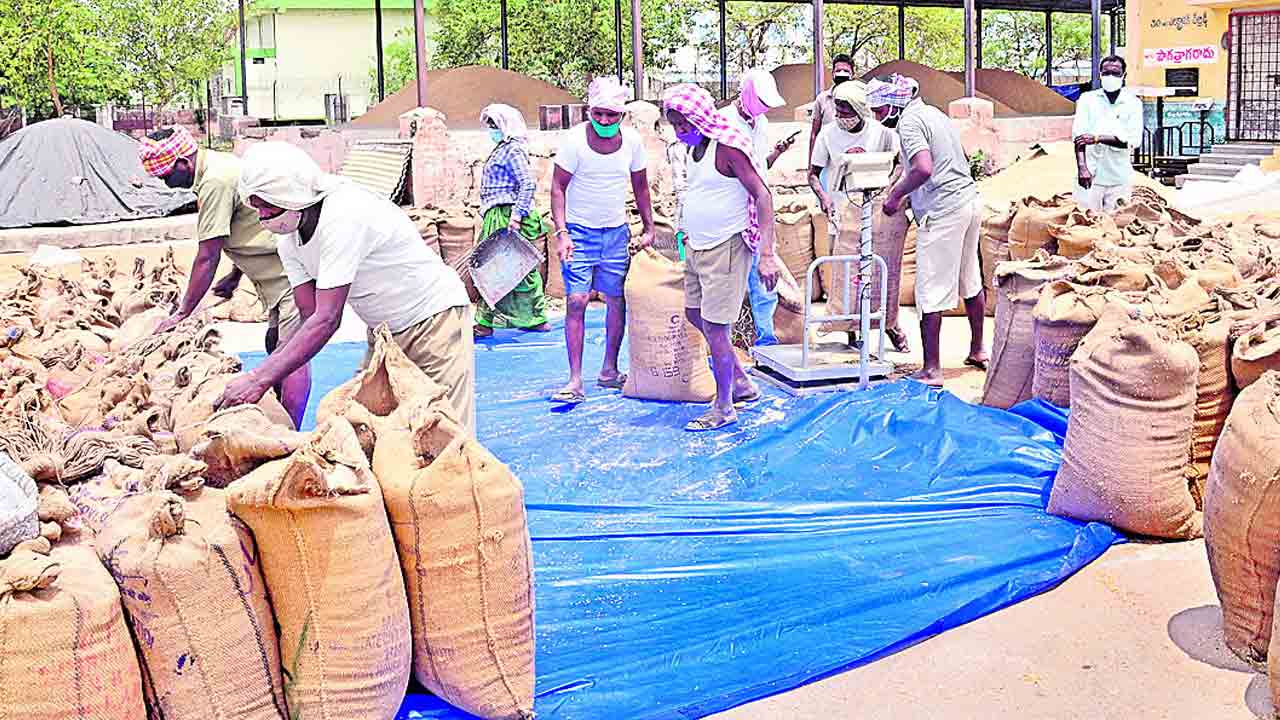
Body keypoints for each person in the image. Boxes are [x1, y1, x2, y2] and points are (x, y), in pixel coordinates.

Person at [214, 142, 476, 432]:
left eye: (266, 204)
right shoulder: (290, 240)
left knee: (443, 432)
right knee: (364, 426)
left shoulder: (343, 214)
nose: (261, 216)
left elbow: (327, 319)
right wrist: (272, 368)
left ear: (290, 194)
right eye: (256, 206)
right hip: (384, 332)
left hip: (434, 320)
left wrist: (258, 379)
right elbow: (309, 316)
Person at [137, 126, 311, 428]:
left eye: (166, 176)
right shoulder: (220, 166)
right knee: (275, 344)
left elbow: (207, 255)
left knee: (292, 356)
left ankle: (292, 435)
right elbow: (250, 225)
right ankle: (282, 416)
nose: (165, 184)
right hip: (275, 277)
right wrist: (234, 275)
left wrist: (181, 313)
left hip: (289, 277)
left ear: (183, 163)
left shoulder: (214, 182)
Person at [664, 84, 779, 432]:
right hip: (698, 246)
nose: (680, 133)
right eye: (675, 127)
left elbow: (762, 195)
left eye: (684, 126)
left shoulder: (727, 146)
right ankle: (741, 381)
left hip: (726, 246)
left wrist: (768, 254)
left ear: (700, 119)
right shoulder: (693, 150)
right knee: (693, 313)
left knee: (716, 327)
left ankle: (725, 405)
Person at [871, 74, 988, 387]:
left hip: (944, 210)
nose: (877, 118)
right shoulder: (933, 113)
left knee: (930, 290)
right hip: (968, 200)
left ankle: (932, 369)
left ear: (894, 104)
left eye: (879, 111)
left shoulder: (909, 123)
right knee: (969, 278)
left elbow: (924, 168)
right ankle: (978, 350)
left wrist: (895, 195)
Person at [549, 76, 655, 405]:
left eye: (612, 115)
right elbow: (557, 188)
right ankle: (575, 379)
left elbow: (641, 187)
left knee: (615, 300)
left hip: (615, 233)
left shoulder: (633, 143)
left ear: (622, 115)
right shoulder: (574, 141)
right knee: (577, 301)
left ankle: (609, 370)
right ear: (589, 110)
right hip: (579, 233)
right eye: (599, 114)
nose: (605, 121)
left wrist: (649, 228)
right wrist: (562, 232)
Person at [808, 79, 910, 353]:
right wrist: (825, 198)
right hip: (843, 214)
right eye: (837, 112)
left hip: (876, 214)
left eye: (846, 113)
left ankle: (890, 326)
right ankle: (853, 335)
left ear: (860, 110)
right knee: (849, 274)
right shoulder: (827, 135)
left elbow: (901, 164)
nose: (841, 118)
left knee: (879, 272)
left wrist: (890, 190)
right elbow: (813, 175)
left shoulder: (883, 134)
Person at [720, 68, 795, 347]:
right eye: (761, 101)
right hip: (732, 215)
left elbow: (760, 169)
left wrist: (776, 152)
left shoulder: (760, 123)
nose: (764, 108)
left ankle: (766, 340)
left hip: (757, 214)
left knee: (765, 282)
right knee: (728, 287)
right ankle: (724, 348)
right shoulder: (724, 123)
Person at [474, 103, 550, 338]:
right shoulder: (501, 148)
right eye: (489, 125)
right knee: (499, 267)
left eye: (494, 125)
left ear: (506, 126)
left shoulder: (513, 150)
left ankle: (494, 321)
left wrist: (516, 217)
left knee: (504, 268)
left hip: (508, 216)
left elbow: (527, 183)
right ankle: (528, 319)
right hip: (497, 214)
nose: (490, 129)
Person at [1072, 55, 1144, 212]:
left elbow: (1133, 141)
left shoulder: (1133, 103)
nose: (1110, 76)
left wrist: (1098, 138)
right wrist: (1082, 168)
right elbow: (1078, 138)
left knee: (1116, 223)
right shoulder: (1087, 100)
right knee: (1086, 222)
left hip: (1119, 177)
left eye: (1115, 73)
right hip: (1090, 176)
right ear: (1100, 74)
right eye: (1106, 73)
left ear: (1124, 75)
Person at [809, 53, 856, 168]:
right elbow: (815, 133)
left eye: (846, 71)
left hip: (853, 159)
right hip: (828, 160)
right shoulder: (822, 99)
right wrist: (811, 165)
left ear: (853, 74)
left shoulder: (860, 99)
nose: (841, 74)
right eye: (838, 70)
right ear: (833, 73)